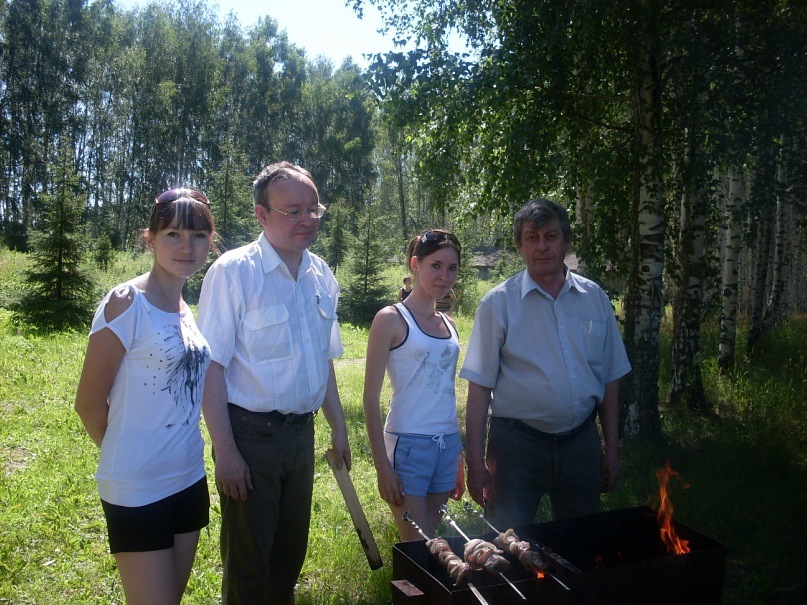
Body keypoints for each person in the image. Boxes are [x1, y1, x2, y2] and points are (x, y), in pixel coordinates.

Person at [197, 161, 351, 605]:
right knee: (249, 567)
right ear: (262, 215)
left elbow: (323, 361)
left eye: (313, 209)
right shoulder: (234, 272)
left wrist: (339, 429)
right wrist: (226, 452)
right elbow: (211, 368)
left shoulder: (321, 275)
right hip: (251, 439)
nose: (307, 220)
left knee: (288, 559)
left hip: (301, 438)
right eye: (293, 211)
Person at [74, 189, 215, 605]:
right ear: (150, 239)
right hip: (137, 487)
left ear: (210, 241)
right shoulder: (126, 303)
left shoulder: (184, 308)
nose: (187, 247)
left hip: (189, 478)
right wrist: (130, 458)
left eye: (198, 235)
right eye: (173, 234)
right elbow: (88, 403)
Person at [460, 198, 631, 530]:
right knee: (505, 544)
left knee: (582, 543)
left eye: (551, 236)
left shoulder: (594, 299)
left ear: (566, 242)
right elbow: (478, 388)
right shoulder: (498, 304)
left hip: (580, 445)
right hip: (516, 449)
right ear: (519, 246)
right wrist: (475, 462)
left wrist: (612, 450)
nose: (542, 246)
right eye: (532, 238)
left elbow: (610, 379)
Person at [363, 229, 464, 542]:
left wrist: (457, 457)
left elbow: (445, 391)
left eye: (452, 268)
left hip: (447, 444)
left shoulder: (449, 324)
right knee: (419, 549)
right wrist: (382, 466)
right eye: (436, 266)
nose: (444, 276)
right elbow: (370, 398)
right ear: (415, 264)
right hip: (408, 446)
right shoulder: (391, 319)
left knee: (434, 545)